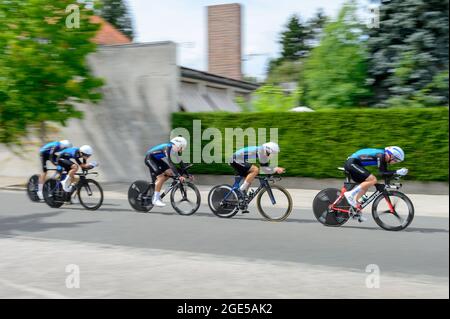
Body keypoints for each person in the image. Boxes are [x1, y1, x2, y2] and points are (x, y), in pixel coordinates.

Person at [343, 146, 408, 221]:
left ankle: (355, 209)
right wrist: (397, 172)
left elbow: (385, 174)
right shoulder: (381, 155)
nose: (394, 162)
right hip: (352, 163)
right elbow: (382, 173)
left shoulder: (383, 157)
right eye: (395, 160)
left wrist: (396, 174)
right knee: (373, 179)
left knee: (366, 184)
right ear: (391, 155)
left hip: (355, 164)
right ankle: (350, 194)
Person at [145, 136, 188, 207]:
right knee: (161, 178)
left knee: (170, 173)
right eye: (181, 147)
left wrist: (187, 174)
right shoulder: (167, 147)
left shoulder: (173, 150)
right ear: (177, 144)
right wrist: (178, 176)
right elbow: (170, 163)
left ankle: (156, 186)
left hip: (157, 160)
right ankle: (155, 199)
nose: (181, 150)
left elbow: (180, 162)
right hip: (149, 158)